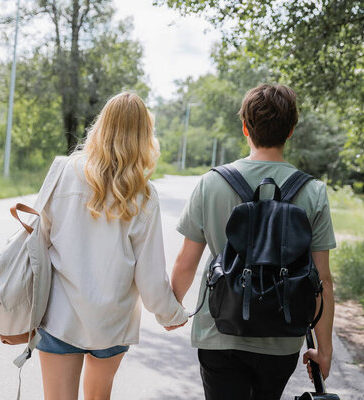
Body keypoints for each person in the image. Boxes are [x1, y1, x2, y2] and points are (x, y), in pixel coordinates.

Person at [171, 84, 336, 400]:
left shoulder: (211, 183)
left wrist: (172, 309)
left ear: (245, 126)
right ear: (290, 131)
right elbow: (323, 280)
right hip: (282, 335)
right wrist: (323, 348)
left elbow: (185, 262)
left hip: (220, 331)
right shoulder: (313, 191)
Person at [37, 92, 188, 400]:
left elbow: (38, 240)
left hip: (59, 314)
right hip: (111, 322)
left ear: (100, 126)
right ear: (145, 137)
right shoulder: (144, 195)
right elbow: (150, 276)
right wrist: (171, 315)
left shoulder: (64, 172)